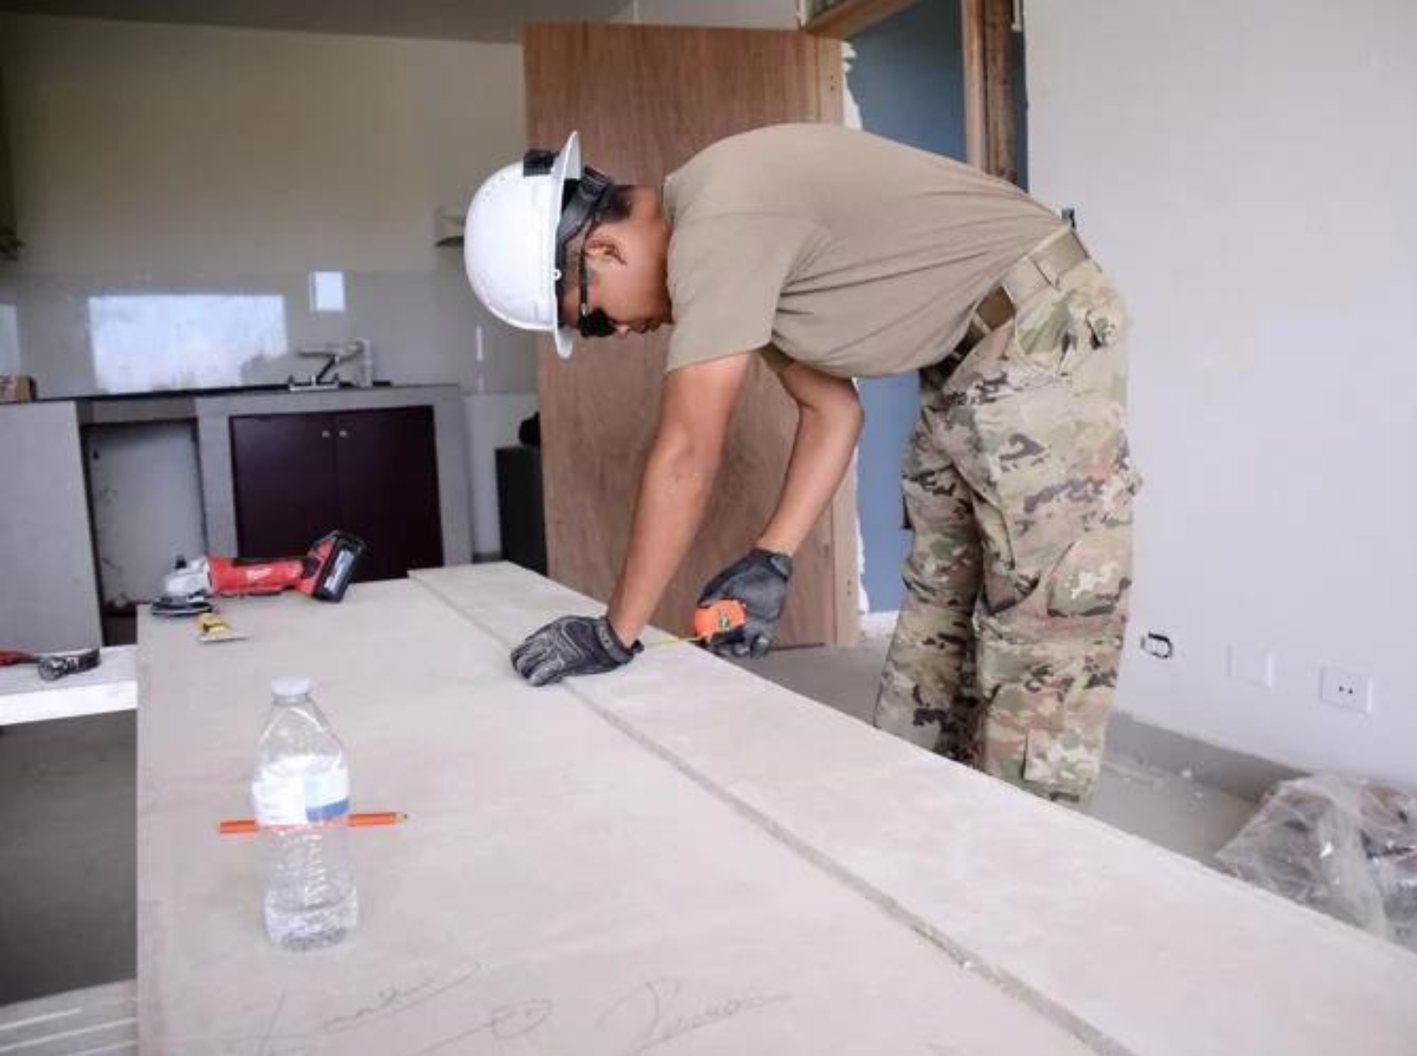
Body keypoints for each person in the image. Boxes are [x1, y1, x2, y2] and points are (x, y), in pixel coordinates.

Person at [462, 124, 1139, 805]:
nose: (621, 333)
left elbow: (687, 452)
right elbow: (832, 412)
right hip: (965, 363)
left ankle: (1024, 853)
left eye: (597, 320)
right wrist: (771, 559)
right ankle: (919, 815)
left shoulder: (719, 222)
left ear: (602, 250)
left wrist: (616, 633)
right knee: (942, 598)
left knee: (1043, 629)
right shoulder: (728, 251)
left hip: (1039, 330)